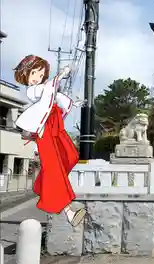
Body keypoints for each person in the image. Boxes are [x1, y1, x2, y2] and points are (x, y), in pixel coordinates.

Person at [14, 55, 87, 227]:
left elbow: (57, 96)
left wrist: (73, 104)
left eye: (41, 74)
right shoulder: (32, 90)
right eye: (34, 73)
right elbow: (47, 91)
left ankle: (42, 185)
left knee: (71, 156)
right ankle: (69, 212)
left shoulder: (46, 86)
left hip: (56, 125)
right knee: (54, 168)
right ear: (25, 74)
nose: (37, 77)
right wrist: (60, 76)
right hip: (44, 129)